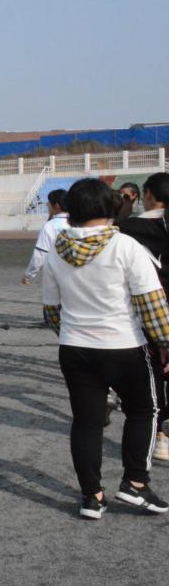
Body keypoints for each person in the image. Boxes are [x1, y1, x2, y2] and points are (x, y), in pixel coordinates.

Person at [43, 178, 169, 519]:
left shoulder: (57, 250)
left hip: (75, 346)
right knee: (144, 410)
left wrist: (71, 331)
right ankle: (135, 483)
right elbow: (151, 304)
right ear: (107, 207)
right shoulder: (125, 246)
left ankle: (92, 496)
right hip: (123, 343)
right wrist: (165, 342)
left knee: (87, 421)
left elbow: (51, 310)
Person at [117, 172, 169, 461]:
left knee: (154, 373)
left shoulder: (127, 228)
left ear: (147, 195)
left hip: (148, 308)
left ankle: (159, 435)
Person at [22, 189, 69, 285]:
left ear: (57, 206)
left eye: (49, 202)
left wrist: (28, 275)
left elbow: (39, 255)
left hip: (57, 275)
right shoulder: (77, 223)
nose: (47, 204)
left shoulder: (50, 226)